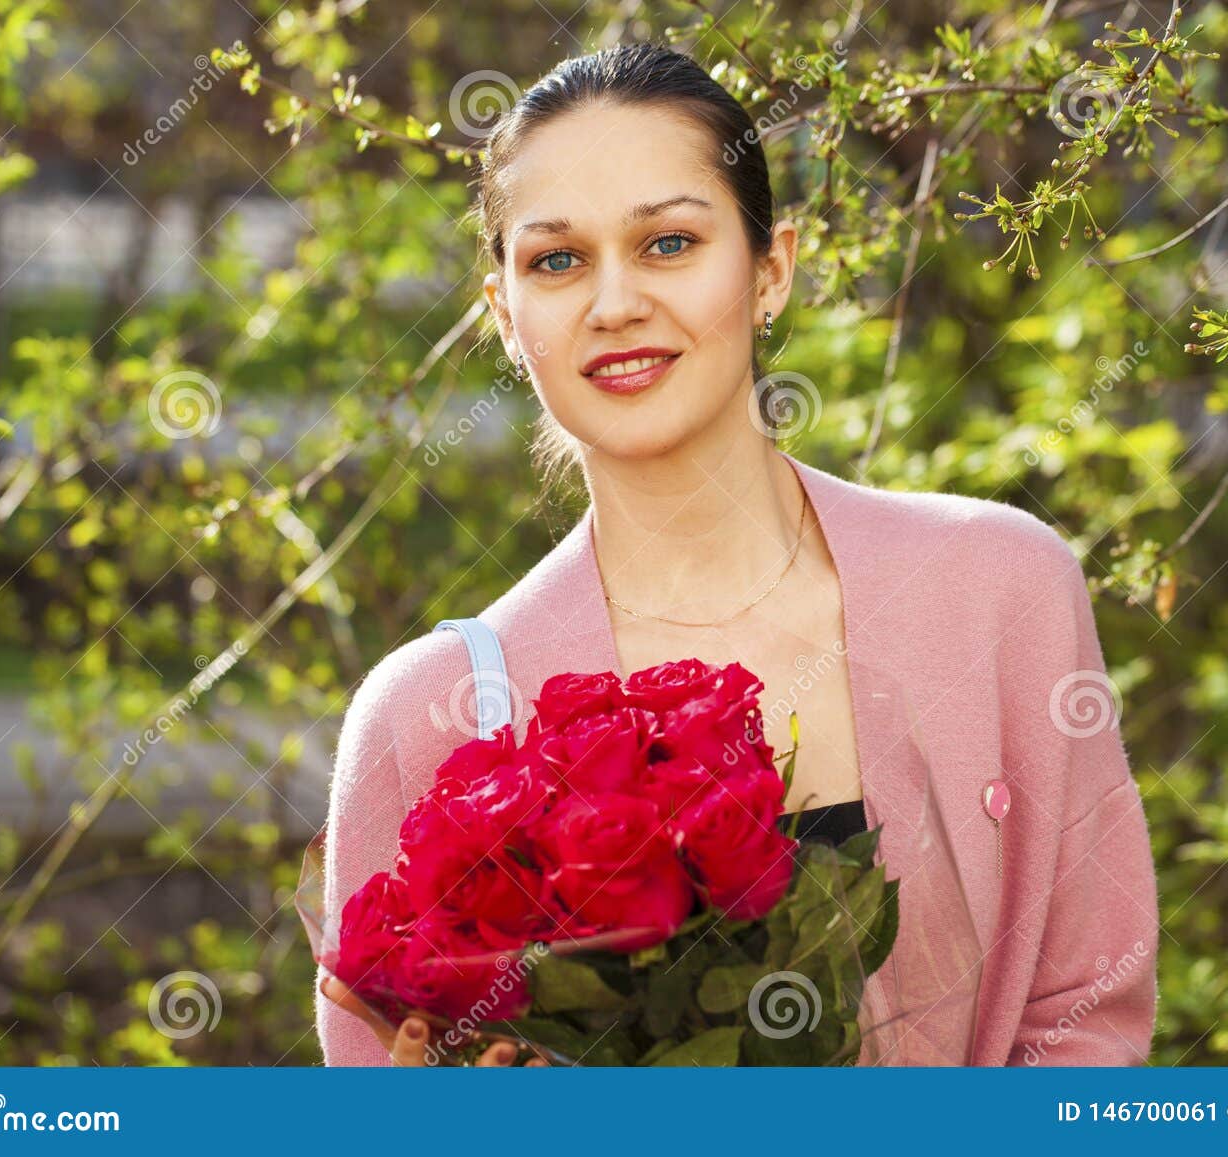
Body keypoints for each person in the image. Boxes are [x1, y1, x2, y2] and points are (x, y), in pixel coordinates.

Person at [317, 41, 1159, 1067]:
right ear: (504, 313)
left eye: (668, 243)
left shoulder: (995, 587)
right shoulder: (430, 711)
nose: (614, 301)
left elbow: (1087, 1018)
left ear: (771, 269)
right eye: (556, 260)